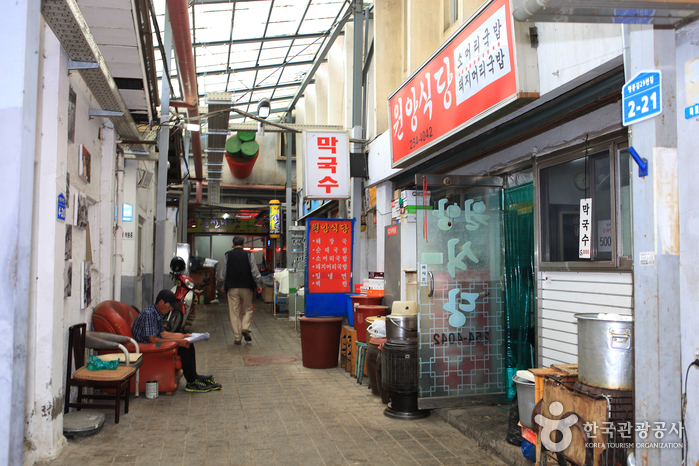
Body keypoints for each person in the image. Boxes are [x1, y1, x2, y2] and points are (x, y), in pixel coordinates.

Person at [132, 289, 221, 393]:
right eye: (169, 306)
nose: (170, 310)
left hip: (153, 344)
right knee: (184, 347)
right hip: (148, 348)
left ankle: (194, 376)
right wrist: (179, 342)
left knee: (188, 343)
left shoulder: (157, 313)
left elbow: (163, 334)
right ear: (161, 302)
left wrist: (184, 336)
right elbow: (153, 339)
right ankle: (191, 383)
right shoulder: (149, 315)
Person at [221, 236, 262, 345]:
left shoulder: (227, 255)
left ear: (233, 244)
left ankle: (237, 338)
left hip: (232, 287)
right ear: (244, 244)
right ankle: (245, 327)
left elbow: (224, 272)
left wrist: (223, 283)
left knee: (234, 312)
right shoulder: (249, 255)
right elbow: (254, 271)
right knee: (248, 309)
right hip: (246, 286)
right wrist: (258, 284)